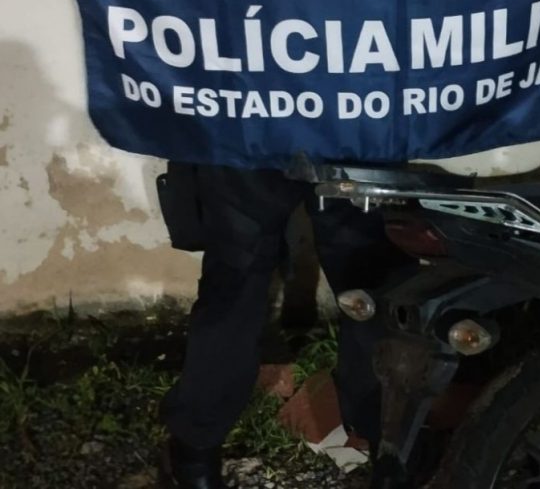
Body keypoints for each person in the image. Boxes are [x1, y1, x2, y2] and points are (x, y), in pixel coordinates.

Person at [158, 164, 408, 489]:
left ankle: (194, 458)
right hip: (352, 137)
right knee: (370, 282)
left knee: (236, 284)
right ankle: (391, 449)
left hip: (249, 140)